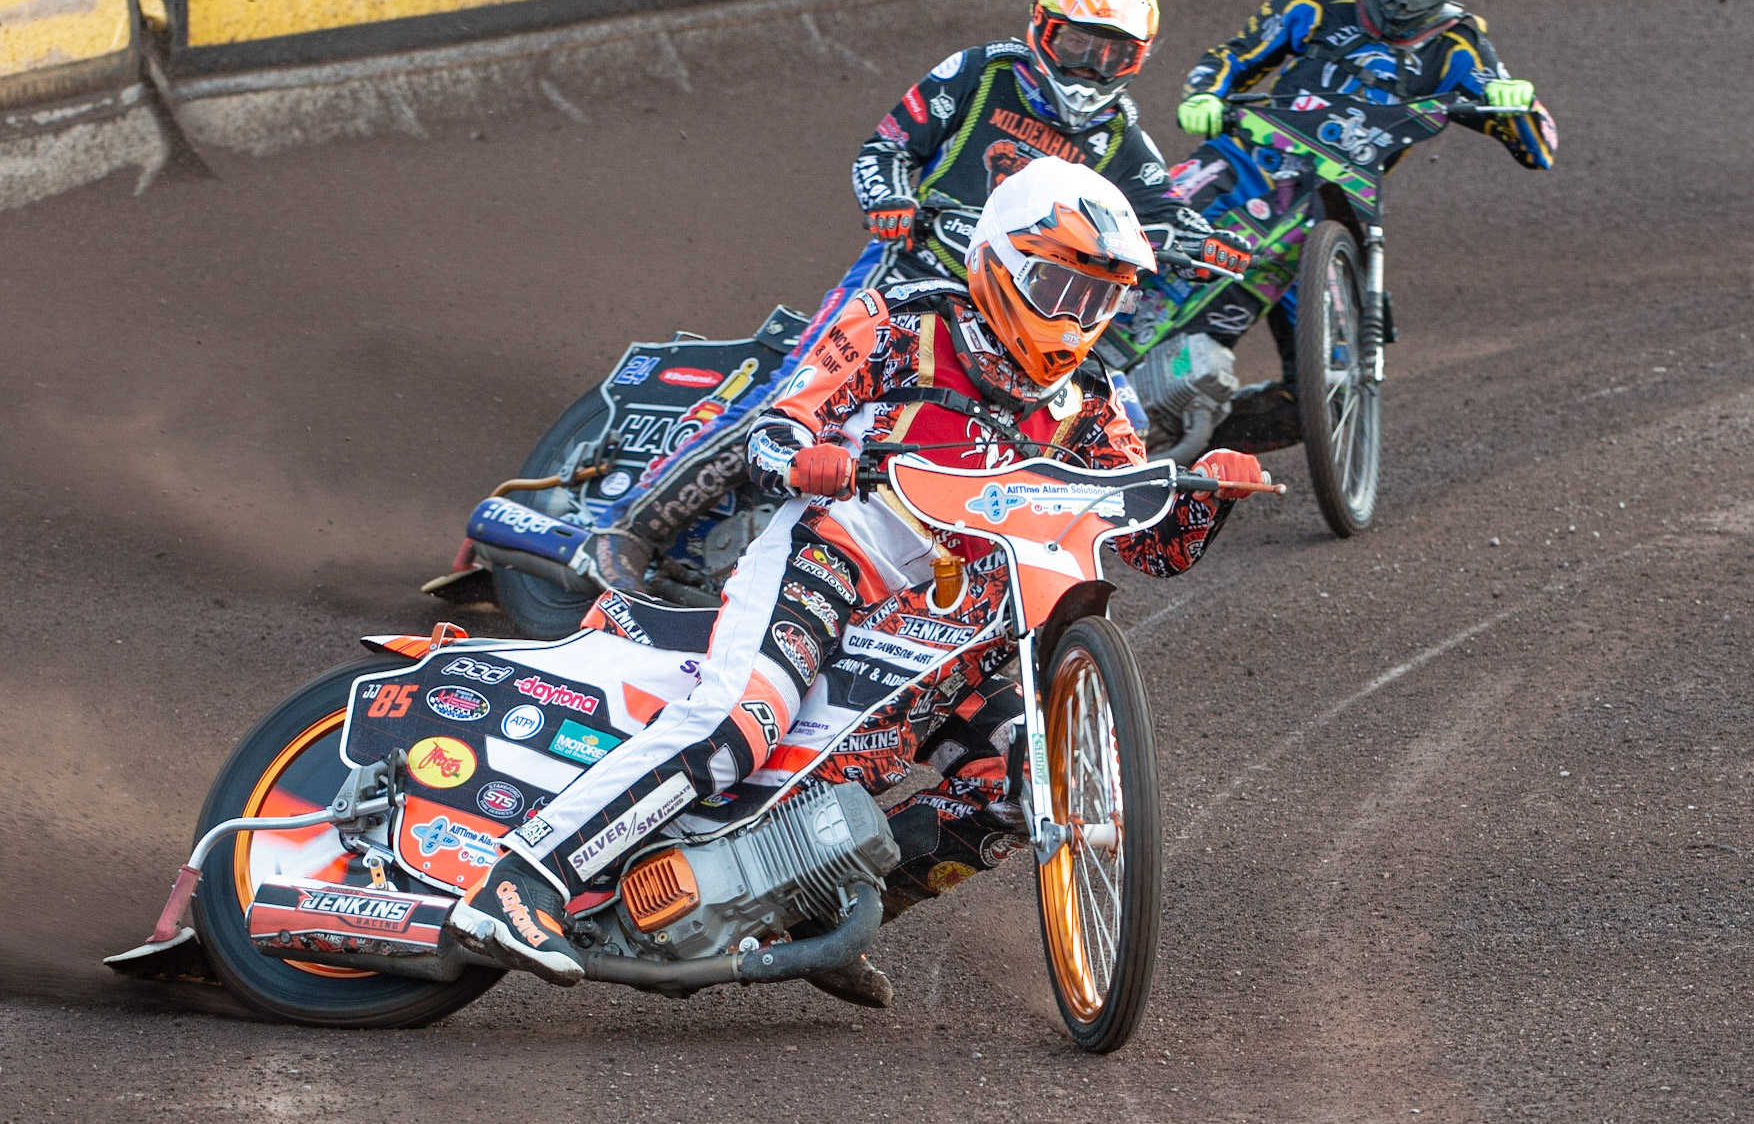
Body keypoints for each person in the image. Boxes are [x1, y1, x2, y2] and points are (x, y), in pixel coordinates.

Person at [450, 158, 1265, 994]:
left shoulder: (1094, 398)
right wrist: (805, 457)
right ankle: (519, 883)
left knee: (1022, 787)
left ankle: (812, 916)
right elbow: (778, 421)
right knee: (735, 728)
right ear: (1000, 264)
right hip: (833, 562)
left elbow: (1152, 545)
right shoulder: (895, 320)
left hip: (968, 622)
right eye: (1059, 285)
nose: (1076, 315)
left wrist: (1216, 491)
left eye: (1098, 298)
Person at [576, 0, 1250, 595]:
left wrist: (1209, 243)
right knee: (788, 400)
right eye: (1078, 46)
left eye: (1115, 55)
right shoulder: (978, 74)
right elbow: (887, 145)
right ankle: (628, 532)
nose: (1091, 69)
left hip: (1011, 316)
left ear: (1139, 59)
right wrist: (891, 198)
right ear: (1041, 28)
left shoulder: (1119, 138)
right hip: (907, 274)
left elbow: (1160, 214)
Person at [1162, 0, 1556, 431]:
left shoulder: (1457, 45)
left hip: (1334, 213)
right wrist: (1204, 94)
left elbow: (1539, 147)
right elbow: (1232, 56)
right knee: (1148, 242)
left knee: (1329, 397)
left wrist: (1517, 101)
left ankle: (1197, 443)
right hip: (1245, 162)